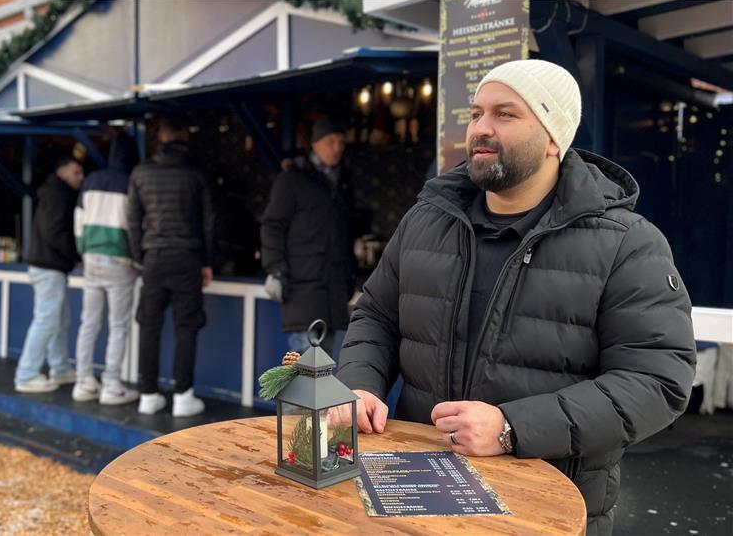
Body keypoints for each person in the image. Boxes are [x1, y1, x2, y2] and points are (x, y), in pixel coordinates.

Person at [334, 60, 696, 536]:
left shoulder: (627, 244)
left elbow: (656, 382)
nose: (481, 129)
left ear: (553, 138)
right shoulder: (426, 220)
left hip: (544, 504)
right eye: (477, 113)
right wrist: (360, 383)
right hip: (411, 490)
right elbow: (377, 316)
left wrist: (512, 428)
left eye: (505, 114)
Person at [127, 116, 215, 417]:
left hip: (153, 258)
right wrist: (207, 261)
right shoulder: (195, 174)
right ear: (184, 137)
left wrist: (140, 256)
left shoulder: (140, 173)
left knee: (149, 326)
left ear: (159, 138)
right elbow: (209, 222)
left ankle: (148, 394)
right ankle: (183, 396)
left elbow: (132, 222)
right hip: (187, 258)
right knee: (186, 327)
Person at [261, 120, 354, 356]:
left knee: (322, 374)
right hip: (302, 292)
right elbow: (272, 226)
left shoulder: (343, 182)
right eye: (330, 142)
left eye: (341, 142)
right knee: (305, 375)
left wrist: (349, 278)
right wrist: (275, 270)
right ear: (314, 145)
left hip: (333, 295)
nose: (337, 147)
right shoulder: (292, 179)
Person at [72, 134, 140, 405]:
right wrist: (137, 259)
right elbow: (133, 225)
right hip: (119, 261)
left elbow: (78, 223)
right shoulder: (130, 183)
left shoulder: (90, 181)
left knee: (88, 323)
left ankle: (83, 382)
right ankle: (111, 384)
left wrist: (83, 249)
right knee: (118, 326)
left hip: (90, 258)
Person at [14, 157, 84, 393]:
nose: (80, 177)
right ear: (61, 171)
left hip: (49, 266)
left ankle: (61, 369)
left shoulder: (54, 192)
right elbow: (54, 231)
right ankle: (26, 374)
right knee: (46, 320)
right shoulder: (58, 194)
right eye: (76, 172)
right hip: (49, 267)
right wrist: (76, 254)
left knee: (59, 320)